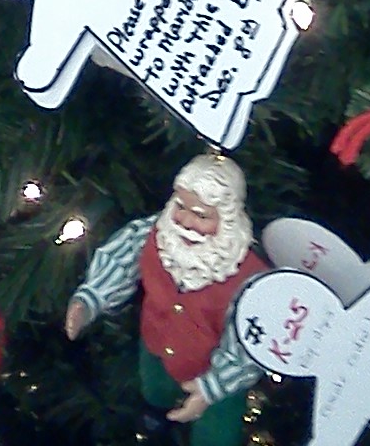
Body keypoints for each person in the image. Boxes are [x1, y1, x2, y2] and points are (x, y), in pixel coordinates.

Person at [66, 155, 264, 446]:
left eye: (201, 216)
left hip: (217, 376)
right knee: (155, 387)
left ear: (227, 217)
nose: (186, 222)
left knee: (216, 434)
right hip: (156, 345)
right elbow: (120, 258)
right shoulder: (156, 235)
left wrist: (212, 388)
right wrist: (90, 299)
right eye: (181, 207)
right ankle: (157, 416)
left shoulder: (249, 278)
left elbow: (247, 342)